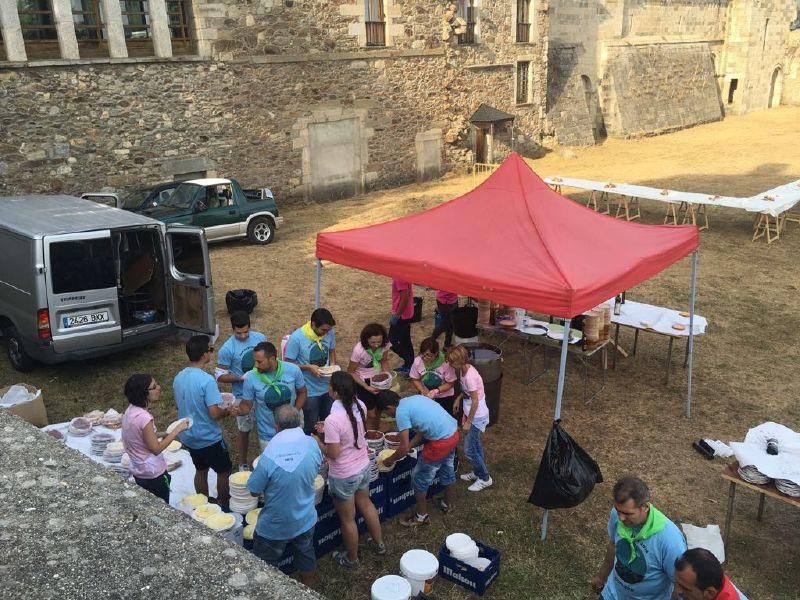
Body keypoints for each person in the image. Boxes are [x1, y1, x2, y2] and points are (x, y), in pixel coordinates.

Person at [313, 371, 385, 570]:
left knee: (348, 519)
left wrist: (319, 442)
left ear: (335, 392)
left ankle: (352, 559)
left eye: (330, 385)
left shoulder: (333, 420)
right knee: (367, 504)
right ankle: (379, 543)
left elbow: (333, 454)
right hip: (363, 466)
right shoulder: (360, 405)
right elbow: (353, 430)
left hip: (345, 474)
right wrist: (327, 430)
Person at [247, 405, 322, 587]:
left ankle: (268, 589)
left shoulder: (268, 457)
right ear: (299, 422)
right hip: (305, 517)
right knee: (305, 553)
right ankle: (308, 589)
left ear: (277, 426)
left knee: (265, 565)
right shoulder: (312, 444)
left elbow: (253, 491)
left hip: (275, 525)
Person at [591, 476, 687, 600]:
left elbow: (680, 586)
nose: (621, 518)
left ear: (646, 507)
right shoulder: (618, 515)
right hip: (611, 594)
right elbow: (613, 546)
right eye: (617, 510)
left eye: (628, 514)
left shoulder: (671, 541)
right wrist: (601, 576)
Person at [378, 393, 459, 526]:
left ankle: (422, 517)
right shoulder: (413, 399)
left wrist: (389, 460)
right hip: (452, 433)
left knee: (419, 479)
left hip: (440, 443)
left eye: (387, 413)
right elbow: (423, 431)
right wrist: (409, 445)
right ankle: (448, 503)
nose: (390, 416)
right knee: (447, 469)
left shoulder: (400, 413)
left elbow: (403, 449)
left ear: (389, 407)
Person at [173, 335, 234, 508]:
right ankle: (224, 503)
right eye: (211, 350)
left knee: (201, 470)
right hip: (208, 437)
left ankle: (203, 503)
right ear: (204, 354)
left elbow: (179, 404)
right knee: (224, 471)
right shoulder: (207, 381)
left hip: (189, 436)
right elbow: (214, 413)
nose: (212, 353)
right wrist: (227, 411)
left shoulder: (179, 376)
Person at [121, 374, 188, 503]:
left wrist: (164, 433)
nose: (159, 387)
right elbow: (156, 449)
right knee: (162, 505)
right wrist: (176, 430)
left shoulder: (130, 411)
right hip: (153, 474)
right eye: (154, 386)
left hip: (138, 471)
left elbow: (140, 435)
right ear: (144, 393)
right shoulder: (144, 418)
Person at [215, 310, 267, 472]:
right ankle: (242, 463)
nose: (243, 336)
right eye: (239, 333)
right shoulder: (227, 348)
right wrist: (240, 378)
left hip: (263, 391)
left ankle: (265, 460)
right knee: (244, 430)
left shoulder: (260, 338)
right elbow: (220, 376)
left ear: (250, 327)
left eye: (246, 332)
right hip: (242, 395)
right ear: (232, 330)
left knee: (265, 427)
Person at [239, 341, 307, 451]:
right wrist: (238, 410)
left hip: (293, 428)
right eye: (255, 361)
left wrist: (294, 411)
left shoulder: (293, 370)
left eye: (259, 362)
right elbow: (246, 405)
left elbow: (302, 392)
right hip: (268, 433)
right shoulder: (251, 377)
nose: (256, 365)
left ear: (271, 359)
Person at [446, 345, 492, 492]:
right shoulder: (463, 370)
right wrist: (458, 398)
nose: (449, 364)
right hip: (471, 413)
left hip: (477, 417)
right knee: (476, 445)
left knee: (469, 450)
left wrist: (468, 421)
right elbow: (467, 392)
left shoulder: (470, 377)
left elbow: (475, 400)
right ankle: (478, 472)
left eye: (452, 362)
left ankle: (485, 478)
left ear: (460, 361)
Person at [284, 307, 337, 434]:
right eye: (323, 330)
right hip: (309, 391)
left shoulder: (329, 332)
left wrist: (333, 365)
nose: (326, 333)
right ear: (313, 324)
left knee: (329, 422)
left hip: (327, 386)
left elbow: (332, 350)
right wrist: (308, 367)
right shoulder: (297, 338)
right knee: (311, 425)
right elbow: (288, 364)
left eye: (328, 330)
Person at [348, 322, 392, 430]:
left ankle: (376, 432)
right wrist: (366, 386)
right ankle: (366, 434)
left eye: (379, 342)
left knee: (379, 409)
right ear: (366, 340)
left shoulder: (385, 345)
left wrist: (387, 376)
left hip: (378, 379)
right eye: (373, 342)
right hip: (362, 381)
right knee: (370, 413)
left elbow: (384, 360)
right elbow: (351, 371)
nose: (377, 345)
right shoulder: (359, 350)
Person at [674, 548, 749, 600]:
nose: (677, 591)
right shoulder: (712, 577)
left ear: (709, 593)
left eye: (685, 589)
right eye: (676, 583)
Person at [410, 337, 457, 416]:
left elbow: (451, 383)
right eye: (423, 355)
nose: (425, 358)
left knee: (444, 416)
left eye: (429, 356)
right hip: (426, 394)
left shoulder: (445, 362)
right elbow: (415, 378)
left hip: (444, 396)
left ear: (436, 353)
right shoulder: (418, 361)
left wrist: (436, 391)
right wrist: (422, 390)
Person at [389, 277, 415, 375]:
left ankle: (410, 363)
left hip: (402, 316)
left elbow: (404, 297)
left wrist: (397, 315)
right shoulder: (403, 273)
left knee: (391, 341)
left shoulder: (399, 277)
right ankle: (409, 365)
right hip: (407, 313)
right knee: (405, 340)